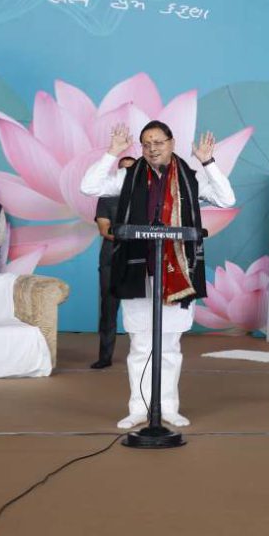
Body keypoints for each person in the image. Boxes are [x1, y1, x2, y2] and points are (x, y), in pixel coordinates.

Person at [80, 121, 234, 430]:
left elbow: (226, 199)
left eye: (159, 142)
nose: (153, 149)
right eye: (147, 143)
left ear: (172, 142)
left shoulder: (190, 178)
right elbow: (89, 187)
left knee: (170, 346)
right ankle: (138, 408)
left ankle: (168, 407)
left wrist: (207, 162)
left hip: (177, 270)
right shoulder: (128, 176)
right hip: (137, 269)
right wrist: (112, 152)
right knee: (140, 344)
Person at [90, 156, 137, 369]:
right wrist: (133, 236)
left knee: (139, 308)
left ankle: (142, 354)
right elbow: (104, 230)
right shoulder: (106, 198)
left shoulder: (144, 198)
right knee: (108, 308)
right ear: (117, 173)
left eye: (132, 170)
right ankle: (105, 356)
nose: (127, 174)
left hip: (137, 259)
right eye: (123, 169)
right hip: (111, 259)